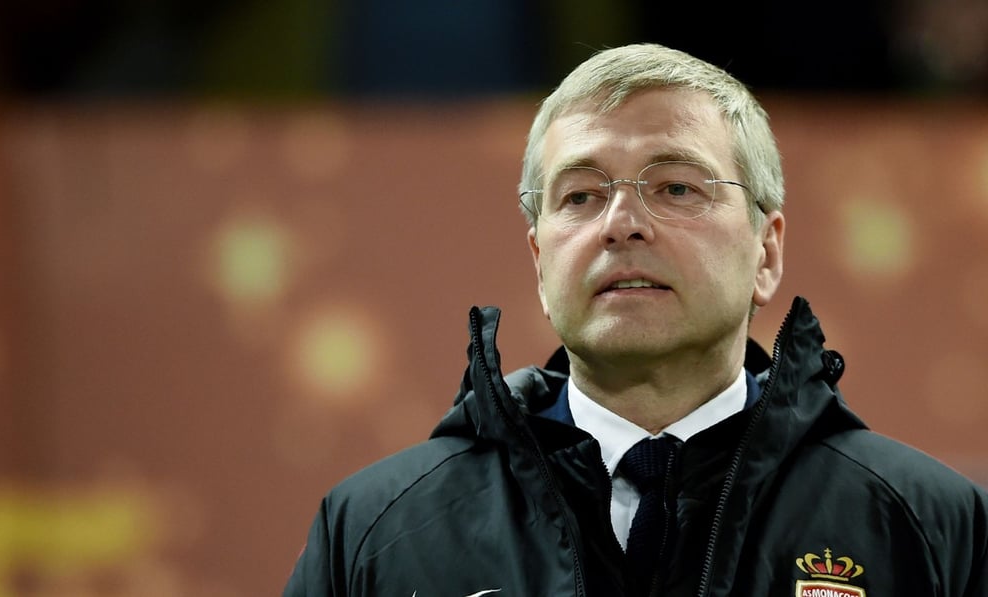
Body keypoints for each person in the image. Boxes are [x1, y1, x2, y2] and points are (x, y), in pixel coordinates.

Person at [282, 43, 988, 596]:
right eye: (581, 196)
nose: (621, 223)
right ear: (539, 257)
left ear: (767, 251)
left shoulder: (935, 525)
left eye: (676, 186)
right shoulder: (373, 531)